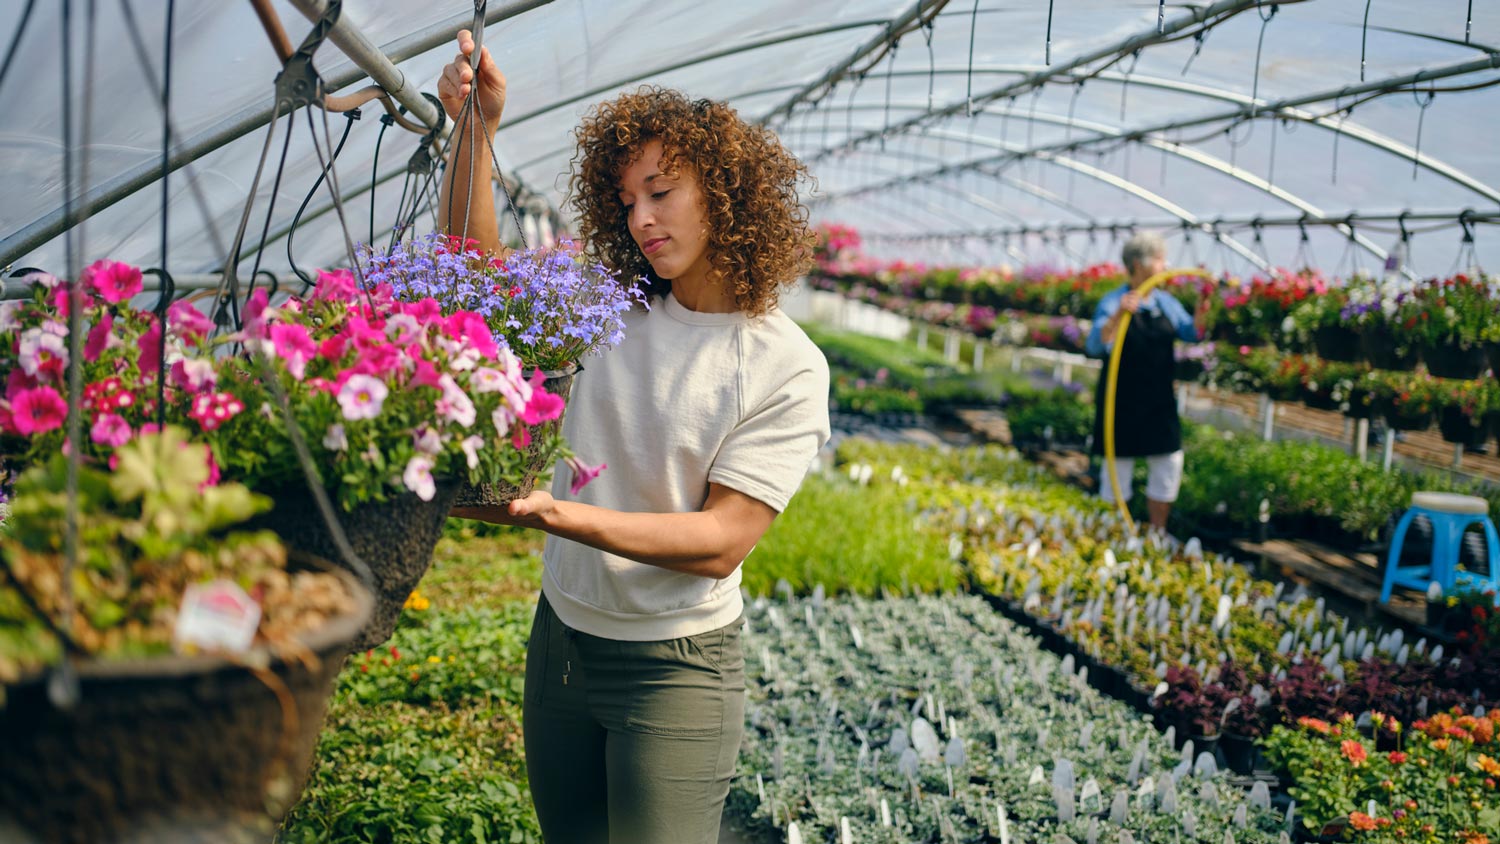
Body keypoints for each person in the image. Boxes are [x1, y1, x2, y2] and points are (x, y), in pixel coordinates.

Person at [435, 30, 831, 844]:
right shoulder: (609, 303)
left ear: (724, 191)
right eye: (626, 201)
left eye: (662, 191)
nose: (642, 219)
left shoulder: (784, 363)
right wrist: (473, 130)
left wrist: (553, 514)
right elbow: (476, 283)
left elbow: (721, 540)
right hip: (562, 643)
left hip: (675, 666)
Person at [1084, 232, 1211, 532]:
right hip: (1121, 401)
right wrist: (1118, 315)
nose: (1165, 264)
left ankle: (1157, 533)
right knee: (1117, 469)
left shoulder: (1165, 302)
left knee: (1168, 463)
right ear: (1138, 265)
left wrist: (1203, 307)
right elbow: (1094, 345)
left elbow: (1192, 332)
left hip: (1158, 400)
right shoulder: (1114, 301)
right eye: (1158, 258)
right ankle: (1114, 532)